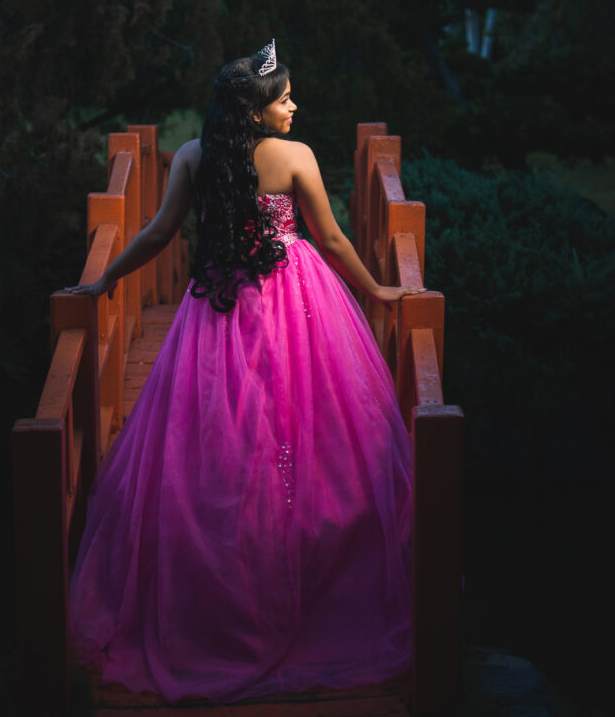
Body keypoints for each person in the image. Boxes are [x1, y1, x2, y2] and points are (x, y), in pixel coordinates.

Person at [63, 40, 425, 705]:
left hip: (220, 302)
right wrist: (375, 293)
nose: (295, 106)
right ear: (257, 109)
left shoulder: (200, 158)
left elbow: (157, 233)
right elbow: (334, 239)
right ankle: (298, 571)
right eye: (285, 97)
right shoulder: (296, 158)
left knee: (223, 436)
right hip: (297, 302)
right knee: (310, 428)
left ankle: (232, 578)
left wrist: (105, 278)